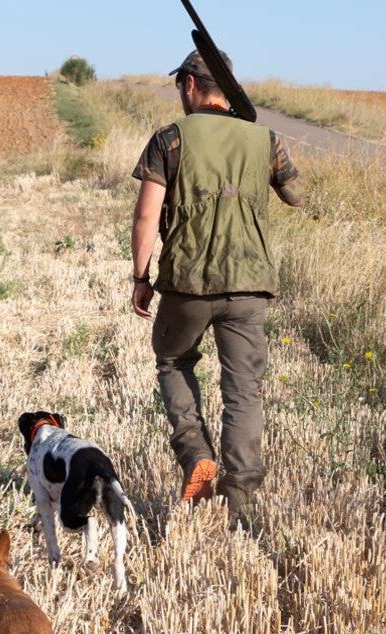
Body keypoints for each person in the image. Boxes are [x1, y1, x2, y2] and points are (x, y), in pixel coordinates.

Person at [129, 49, 306, 531]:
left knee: (173, 362)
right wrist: (254, 139)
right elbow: (296, 194)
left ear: (190, 85)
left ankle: (196, 456)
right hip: (250, 287)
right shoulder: (264, 140)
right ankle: (241, 499)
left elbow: (147, 216)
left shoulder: (169, 139)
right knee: (243, 391)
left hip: (187, 285)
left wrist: (141, 277)